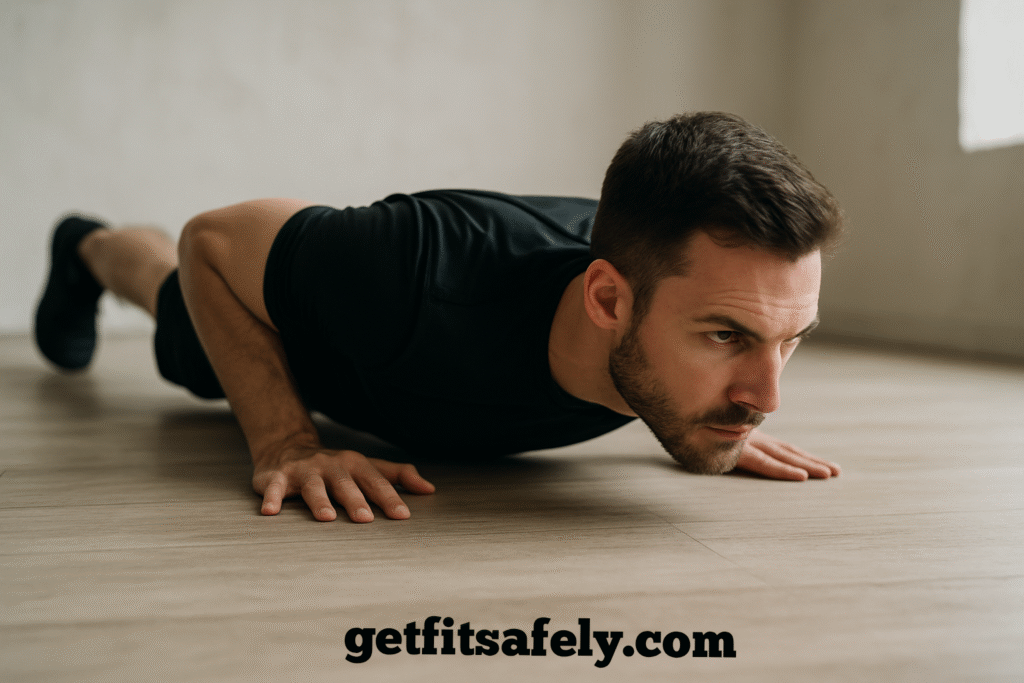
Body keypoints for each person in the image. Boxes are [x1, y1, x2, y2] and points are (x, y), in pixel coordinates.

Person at [35, 112, 843, 524]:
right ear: (607, 301)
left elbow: (725, 363)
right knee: (173, 298)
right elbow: (211, 240)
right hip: (300, 346)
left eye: (788, 341)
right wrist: (287, 441)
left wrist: (708, 417)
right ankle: (88, 246)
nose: (768, 395)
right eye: (727, 335)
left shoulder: (668, 299)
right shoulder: (409, 268)